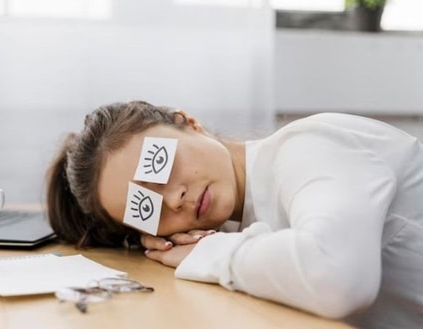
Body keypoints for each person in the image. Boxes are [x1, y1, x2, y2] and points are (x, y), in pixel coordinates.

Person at [46, 100, 423, 329]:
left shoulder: (308, 147)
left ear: (188, 122)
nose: (173, 199)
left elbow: (338, 279)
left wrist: (210, 254)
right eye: (146, 209)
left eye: (158, 165)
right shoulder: (233, 221)